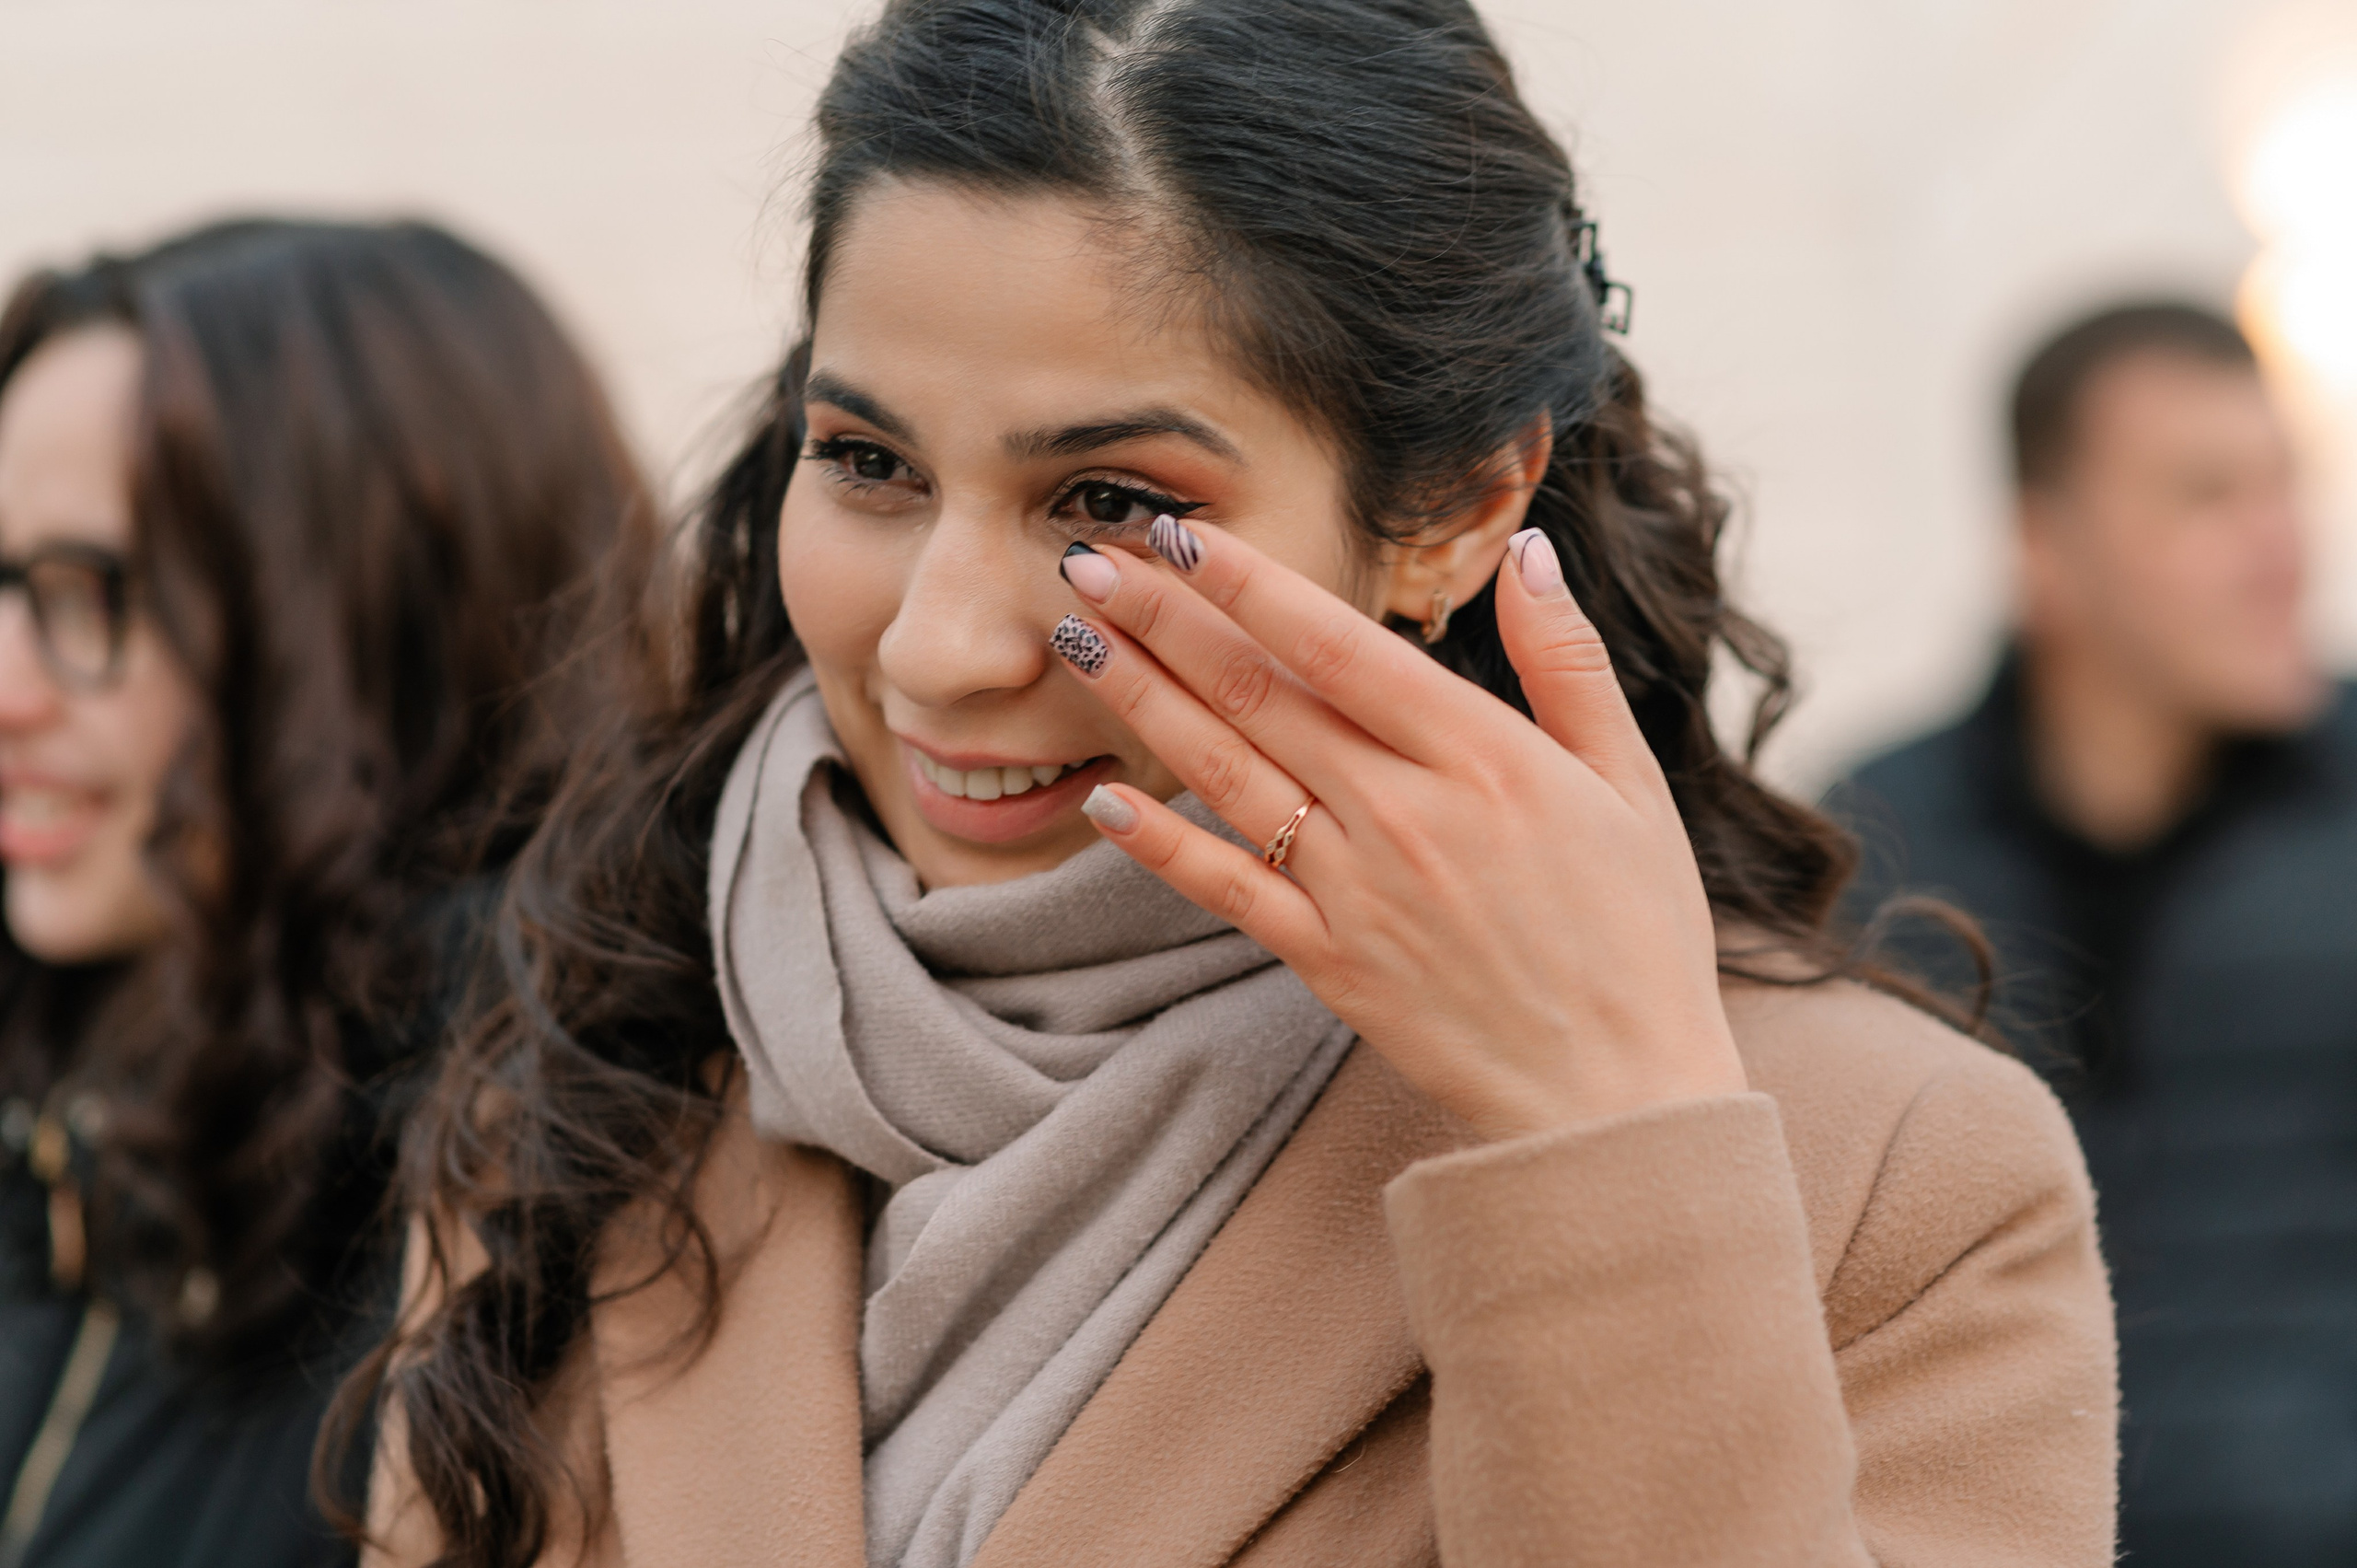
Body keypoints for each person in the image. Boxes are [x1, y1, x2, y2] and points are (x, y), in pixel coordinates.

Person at [356, 3, 2118, 1564]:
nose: (940, 648)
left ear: (1458, 509)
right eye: (869, 460)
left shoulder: (1888, 1180)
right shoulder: (611, 1068)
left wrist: (1603, 1138)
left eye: (1111, 504)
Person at [0, 218, 653, 1568]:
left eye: (91, 592)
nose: (8, 689)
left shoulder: (540, 1256)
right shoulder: (74, 1117)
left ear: (386, 620)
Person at [1835, 301, 2357, 1562]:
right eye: (2204, 498)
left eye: (2283, 487)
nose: (2279, 546)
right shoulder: (1872, 855)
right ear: (2043, 549)